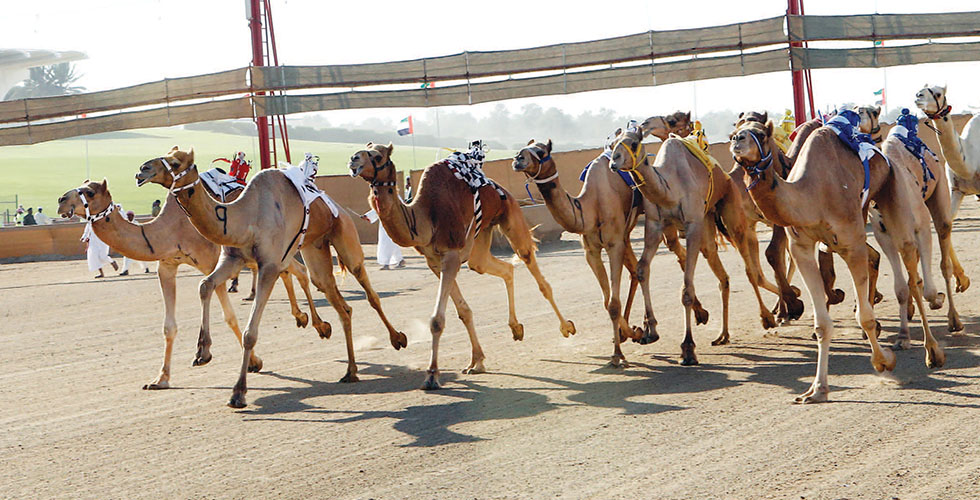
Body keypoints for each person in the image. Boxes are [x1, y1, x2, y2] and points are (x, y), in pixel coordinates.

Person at [119, 210, 151, 276]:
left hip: (137, 243)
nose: (129, 217)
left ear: (133, 216)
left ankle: (146, 268)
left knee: (141, 256)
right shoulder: (125, 224)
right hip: (129, 244)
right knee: (127, 257)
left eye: (131, 216)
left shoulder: (136, 223)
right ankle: (125, 270)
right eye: (128, 216)